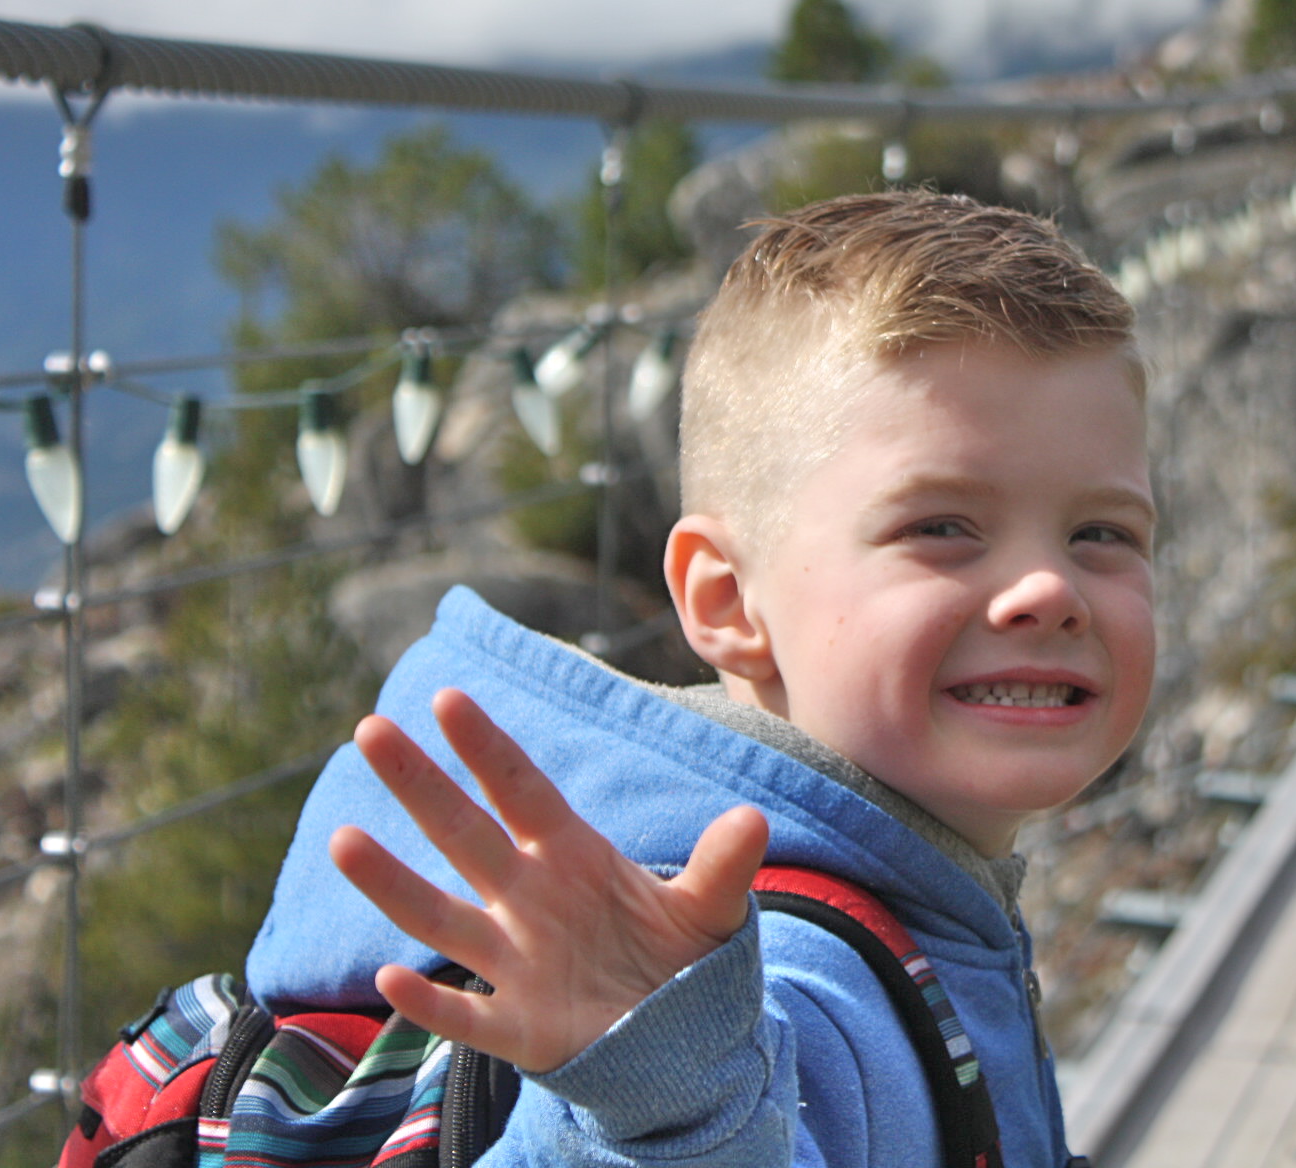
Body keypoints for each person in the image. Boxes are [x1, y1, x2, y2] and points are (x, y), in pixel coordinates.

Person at [243, 192, 1155, 1167]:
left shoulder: (907, 892)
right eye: (941, 527)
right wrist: (666, 1107)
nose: (1050, 589)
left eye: (1102, 532)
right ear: (725, 602)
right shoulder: (763, 988)